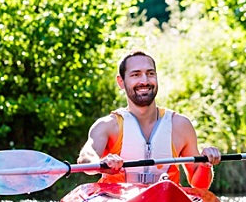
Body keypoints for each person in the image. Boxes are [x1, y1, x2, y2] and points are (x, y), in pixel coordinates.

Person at [77, 50, 221, 189]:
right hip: (117, 200)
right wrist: (102, 163)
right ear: (121, 82)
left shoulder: (180, 125)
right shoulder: (108, 125)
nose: (144, 81)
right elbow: (86, 157)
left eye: (150, 74)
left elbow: (200, 185)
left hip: (166, 200)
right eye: (136, 75)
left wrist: (205, 164)